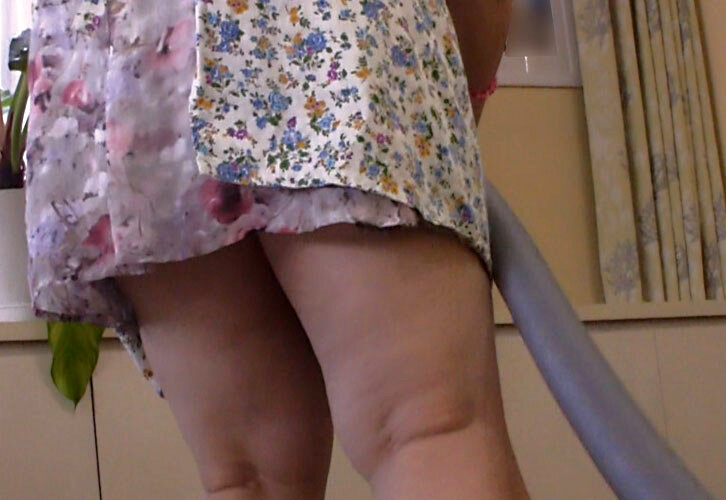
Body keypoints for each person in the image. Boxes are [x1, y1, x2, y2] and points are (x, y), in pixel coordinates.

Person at [25, 0, 523, 498]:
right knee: (428, 430)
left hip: (126, 56)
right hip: (317, 32)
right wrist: (458, 104)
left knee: (250, 479)